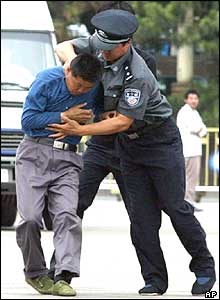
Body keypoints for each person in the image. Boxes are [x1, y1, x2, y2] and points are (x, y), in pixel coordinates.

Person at [47, 9, 216, 296]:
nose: (102, 53)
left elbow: (122, 121)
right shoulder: (100, 47)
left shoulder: (138, 74)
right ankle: (154, 279)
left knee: (175, 207)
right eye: (100, 47)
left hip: (159, 142)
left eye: (109, 49)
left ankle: (204, 267)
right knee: (142, 217)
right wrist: (75, 64)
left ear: (126, 44)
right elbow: (63, 46)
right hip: (129, 146)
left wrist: (78, 130)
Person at [47, 0, 158, 282]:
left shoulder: (145, 64)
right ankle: (59, 272)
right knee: (75, 205)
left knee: (141, 215)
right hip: (99, 146)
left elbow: (129, 112)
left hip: (130, 147)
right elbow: (62, 46)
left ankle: (153, 278)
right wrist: (74, 62)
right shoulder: (94, 49)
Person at [15, 53, 103, 296]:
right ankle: (35, 273)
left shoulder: (94, 88)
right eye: (78, 84)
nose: (81, 91)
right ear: (68, 72)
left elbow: (96, 112)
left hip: (69, 158)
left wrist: (89, 120)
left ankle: (64, 275)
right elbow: (28, 120)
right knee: (31, 218)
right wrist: (64, 116)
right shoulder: (46, 81)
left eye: (87, 87)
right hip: (35, 153)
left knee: (67, 215)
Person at [176, 90, 207, 211]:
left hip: (193, 149)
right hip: (189, 150)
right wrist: (200, 129)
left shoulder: (195, 113)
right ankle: (188, 202)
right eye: (191, 98)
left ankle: (188, 201)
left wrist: (200, 129)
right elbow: (197, 128)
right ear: (186, 100)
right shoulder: (185, 112)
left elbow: (203, 130)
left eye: (195, 98)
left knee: (190, 177)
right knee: (189, 177)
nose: (194, 101)